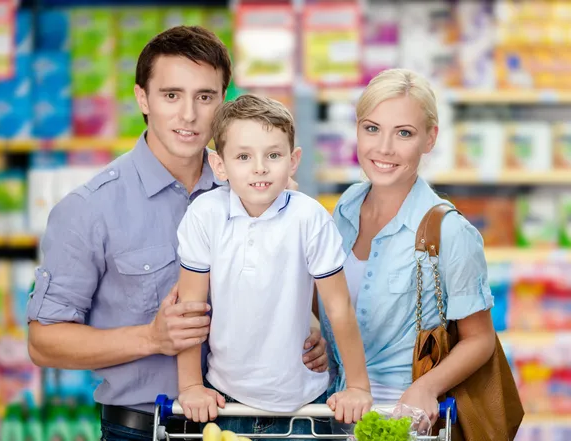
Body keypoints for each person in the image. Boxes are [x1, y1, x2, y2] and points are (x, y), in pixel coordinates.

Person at [26, 26, 328, 441]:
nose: (189, 115)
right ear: (142, 99)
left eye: (205, 97)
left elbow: (310, 293)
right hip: (143, 428)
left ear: (224, 103)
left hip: (254, 423)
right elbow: (44, 342)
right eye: (171, 95)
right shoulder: (89, 209)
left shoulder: (266, 190)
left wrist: (314, 333)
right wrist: (150, 338)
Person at [174, 94, 374, 437]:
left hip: (304, 403)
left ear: (293, 161)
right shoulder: (204, 214)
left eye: (273, 155)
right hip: (226, 400)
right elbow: (191, 308)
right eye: (243, 156)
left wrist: (357, 385)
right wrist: (191, 385)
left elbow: (339, 307)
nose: (260, 167)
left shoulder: (309, 217)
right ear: (219, 165)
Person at [318, 68, 496, 428]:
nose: (383, 148)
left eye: (404, 133)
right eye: (372, 128)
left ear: (430, 138)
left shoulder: (450, 232)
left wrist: (428, 387)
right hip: (330, 406)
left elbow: (481, 339)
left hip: (400, 417)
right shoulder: (347, 206)